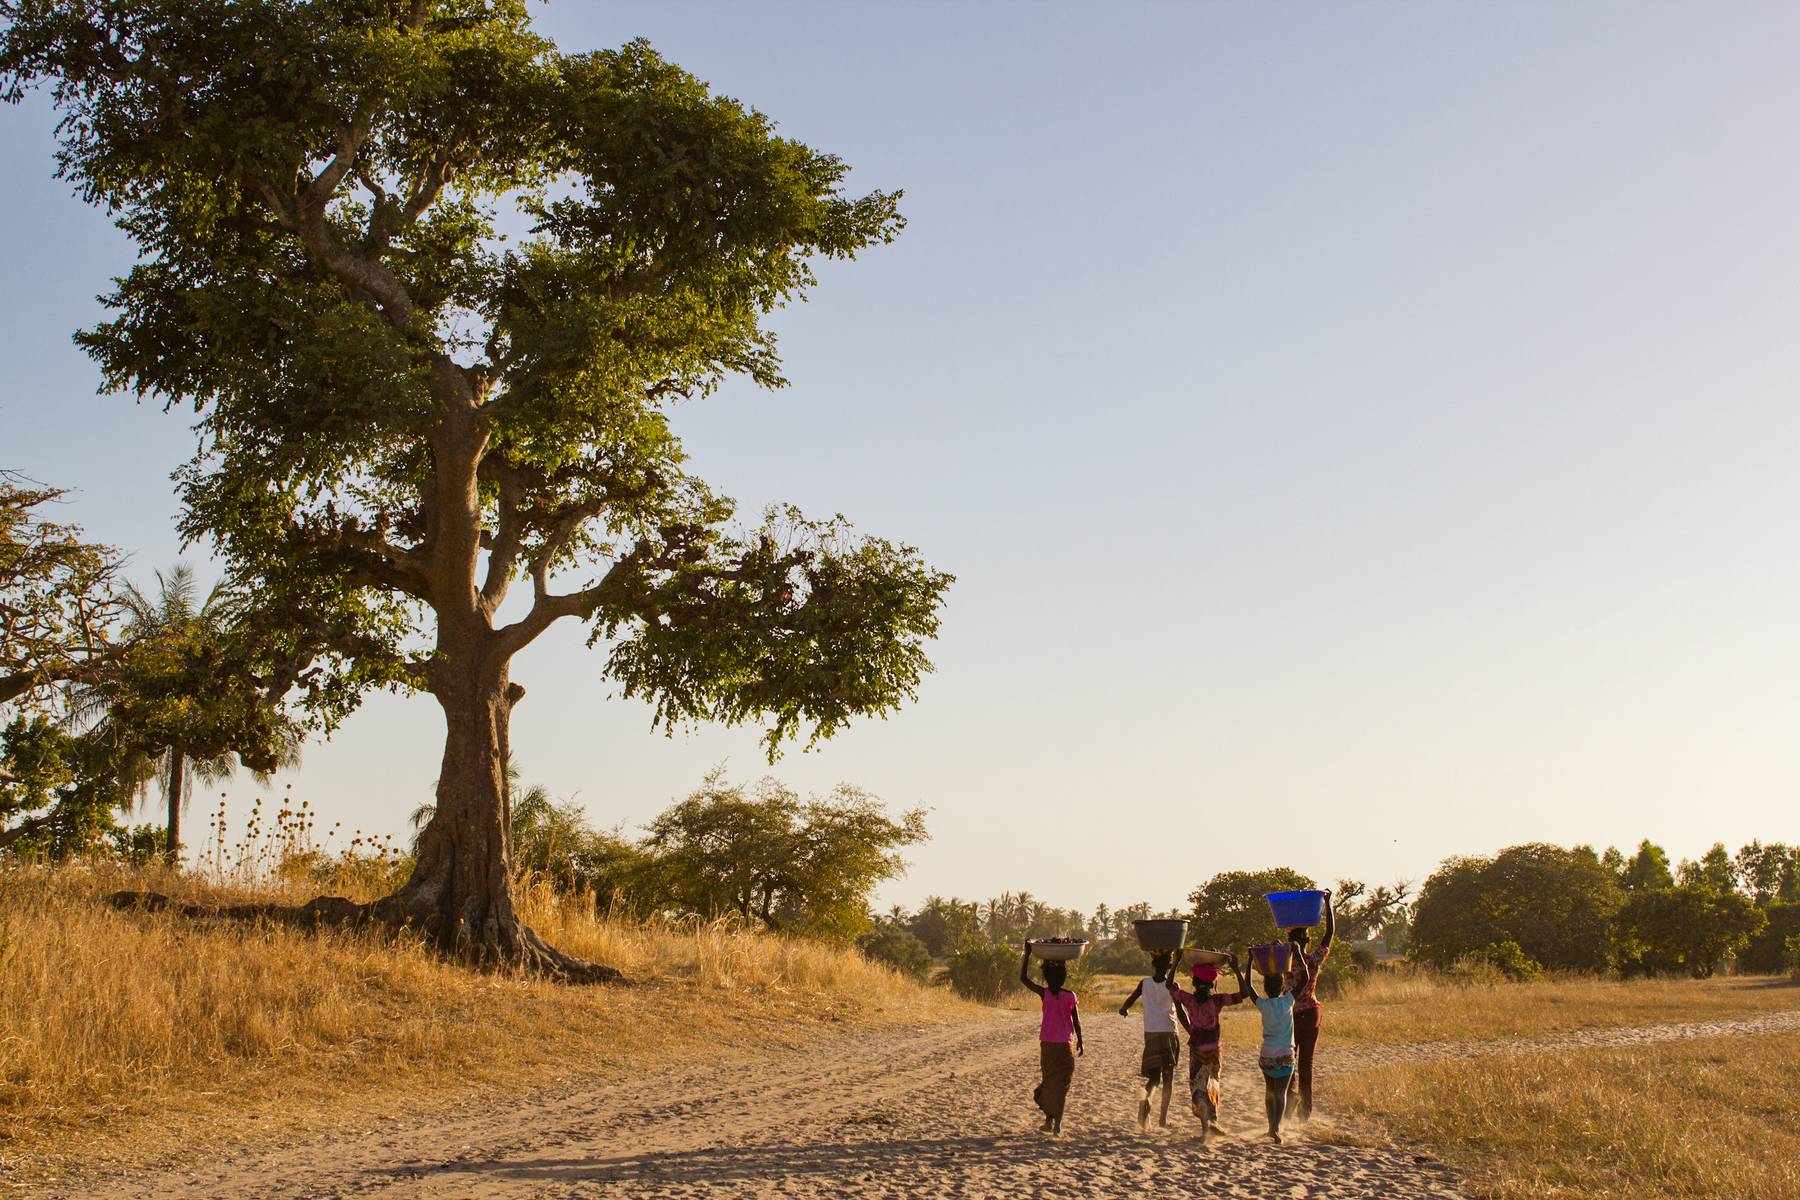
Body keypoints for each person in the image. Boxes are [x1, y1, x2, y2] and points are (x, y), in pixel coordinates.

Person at [1167, 953, 1248, 1142]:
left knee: (1198, 1085)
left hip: (1196, 1049)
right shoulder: (1217, 1001)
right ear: (1212, 985)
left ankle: (1205, 1128)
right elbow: (1243, 994)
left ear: (1194, 983)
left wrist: (1177, 961)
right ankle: (1214, 1120)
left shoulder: (1189, 1000)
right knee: (1213, 1082)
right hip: (1214, 1050)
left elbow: (1169, 986)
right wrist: (1236, 968)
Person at [1245, 943, 1312, 1143]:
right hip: (1285, 1054)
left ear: (1265, 988)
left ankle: (1269, 1126)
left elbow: (1248, 986)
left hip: (1266, 1054)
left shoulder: (1263, 1004)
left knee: (1270, 1091)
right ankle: (1276, 1128)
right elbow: (1305, 979)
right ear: (1282, 986)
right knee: (1281, 1092)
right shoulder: (1288, 1000)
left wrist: (1249, 961)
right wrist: (1298, 952)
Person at [1020, 944, 1083, 1134]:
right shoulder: (1070, 996)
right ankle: (1057, 1125)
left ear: (1046, 977)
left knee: (1049, 1082)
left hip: (1048, 1045)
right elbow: (1077, 1022)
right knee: (1062, 1085)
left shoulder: (1044, 994)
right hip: (1065, 1045)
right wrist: (1081, 1041)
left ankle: (1049, 1121)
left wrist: (1028, 954)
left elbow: (1023, 979)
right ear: (1063, 977)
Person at [1286, 889, 1335, 1121]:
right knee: (1306, 1063)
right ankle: (1306, 1110)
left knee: (1289, 1061)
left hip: (1291, 1015)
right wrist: (1327, 903)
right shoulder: (1312, 960)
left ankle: (1291, 1098)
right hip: (1311, 1013)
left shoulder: (1283, 962)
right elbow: (1329, 934)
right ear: (1306, 941)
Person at [1118, 950, 1181, 1130]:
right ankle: (1162, 1119)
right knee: (1168, 1078)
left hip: (1151, 1034)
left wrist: (1124, 1009)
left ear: (1153, 966)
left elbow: (1130, 1000)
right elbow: (1180, 1008)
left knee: (1153, 1080)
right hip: (1169, 1033)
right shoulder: (1173, 985)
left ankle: (1145, 1104)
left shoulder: (1144, 983)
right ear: (1169, 967)